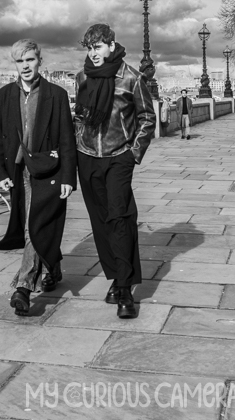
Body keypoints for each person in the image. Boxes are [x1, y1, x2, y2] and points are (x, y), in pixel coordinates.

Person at [0, 39, 76, 316]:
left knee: (35, 226)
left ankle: (23, 287)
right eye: (20, 61)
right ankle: (53, 264)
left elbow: (66, 139)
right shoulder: (4, 95)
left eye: (30, 60)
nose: (25, 66)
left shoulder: (56, 95)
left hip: (47, 169)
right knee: (32, 226)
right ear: (14, 64)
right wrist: (0, 173)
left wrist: (67, 178)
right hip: (19, 170)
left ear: (40, 61)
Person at [74, 23, 156, 319]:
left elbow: (148, 116)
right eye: (88, 48)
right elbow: (80, 118)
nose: (92, 53)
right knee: (101, 222)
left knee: (119, 218)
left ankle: (124, 287)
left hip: (118, 156)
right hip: (87, 157)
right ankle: (115, 276)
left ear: (111, 45)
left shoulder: (131, 77)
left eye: (97, 47)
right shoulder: (82, 77)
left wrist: (133, 153)